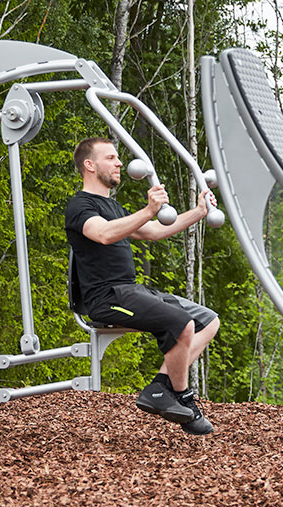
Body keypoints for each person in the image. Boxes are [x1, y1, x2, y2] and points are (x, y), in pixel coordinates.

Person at [64, 137, 220, 435]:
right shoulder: (80, 205)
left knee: (207, 321)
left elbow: (154, 231)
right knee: (182, 323)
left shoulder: (114, 207)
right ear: (90, 165)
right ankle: (184, 397)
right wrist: (148, 209)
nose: (119, 162)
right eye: (110, 158)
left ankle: (160, 387)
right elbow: (105, 234)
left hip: (131, 290)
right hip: (106, 297)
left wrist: (198, 212)